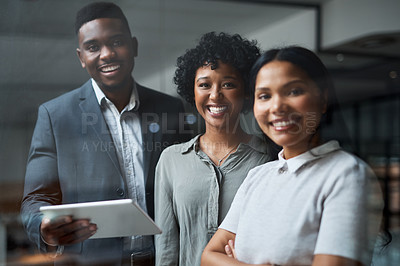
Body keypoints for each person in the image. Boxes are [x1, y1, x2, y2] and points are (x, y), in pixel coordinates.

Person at [20, 2, 189, 265]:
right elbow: (36, 198)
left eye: (117, 42)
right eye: (93, 47)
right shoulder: (55, 116)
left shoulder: (170, 109)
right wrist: (43, 225)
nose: (107, 54)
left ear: (134, 46)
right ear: (81, 57)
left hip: (163, 259)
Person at [201, 46, 383, 266]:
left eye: (294, 91)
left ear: (323, 99)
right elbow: (208, 257)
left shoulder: (347, 174)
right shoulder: (257, 177)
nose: (277, 106)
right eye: (265, 95)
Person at [154, 32, 277, 266]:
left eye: (228, 84)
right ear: (193, 91)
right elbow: (167, 248)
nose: (215, 95)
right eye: (204, 85)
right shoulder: (171, 160)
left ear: (246, 91)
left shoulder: (270, 157)